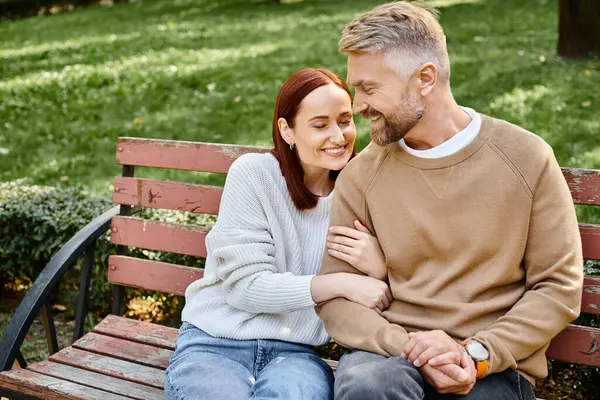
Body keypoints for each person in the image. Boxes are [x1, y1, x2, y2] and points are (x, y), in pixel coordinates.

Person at [316, 2, 584, 399]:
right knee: (368, 384)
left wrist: (475, 354)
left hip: (491, 361)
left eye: (370, 88)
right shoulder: (362, 175)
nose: (357, 105)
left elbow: (557, 286)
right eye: (356, 88)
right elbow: (339, 300)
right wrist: (412, 348)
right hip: (389, 355)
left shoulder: (526, 158)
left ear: (425, 78)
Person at [165, 68, 392, 400]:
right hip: (214, 343)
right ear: (287, 130)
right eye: (319, 125)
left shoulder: (360, 194)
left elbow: (389, 293)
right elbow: (244, 287)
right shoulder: (254, 174)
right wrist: (341, 284)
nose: (339, 135)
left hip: (297, 355)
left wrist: (380, 269)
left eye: (344, 121)